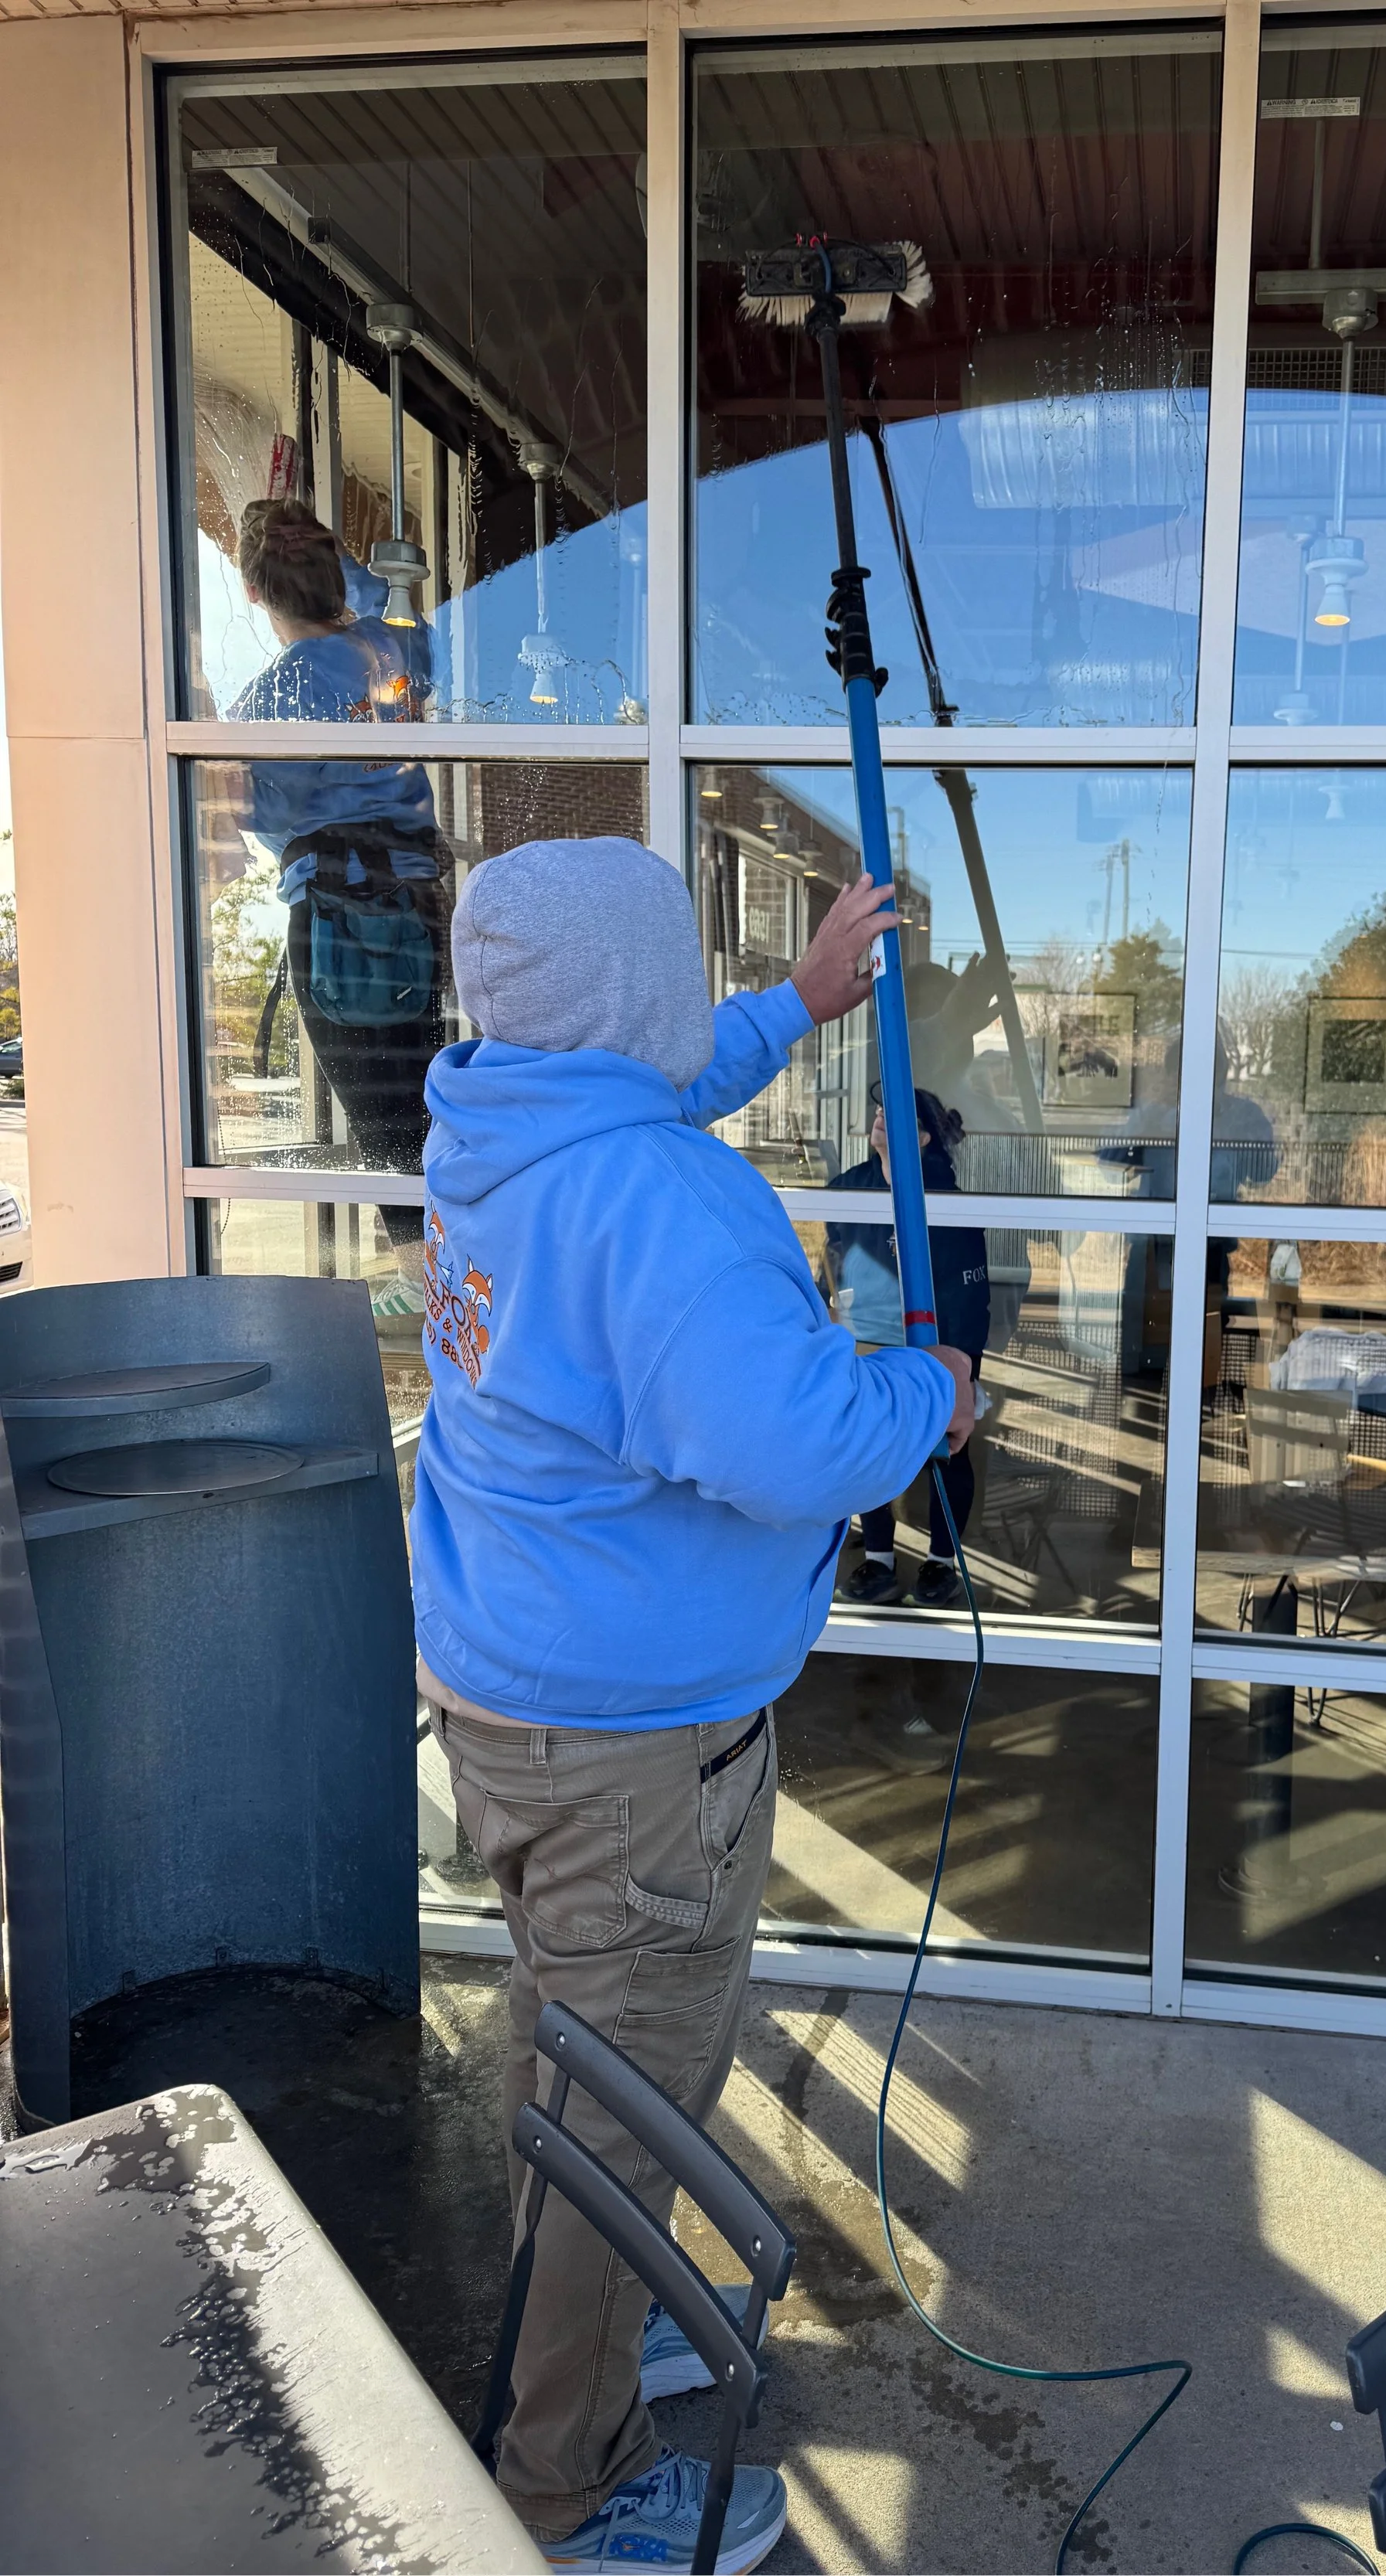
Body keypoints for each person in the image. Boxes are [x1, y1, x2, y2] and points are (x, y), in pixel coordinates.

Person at [411, 836, 973, 2574]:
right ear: (636, 995)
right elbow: (792, 1438)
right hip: (636, 1755)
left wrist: (791, 1008)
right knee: (629, 2085)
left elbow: (637, 1077)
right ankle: (565, 2483)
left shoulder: (493, 1123)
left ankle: (590, 2318)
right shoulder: (654, 1201)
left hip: (516, 1703)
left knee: (579, 2054)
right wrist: (928, 1396)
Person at [227, 498, 442, 1306]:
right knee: (430, 1112)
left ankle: (438, 1302)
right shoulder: (387, 646)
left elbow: (263, 815)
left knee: (388, 1134)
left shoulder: (274, 698)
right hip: (419, 906)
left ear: (254, 593)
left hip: (342, 922)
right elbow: (383, 610)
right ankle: (461, 1285)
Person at [826, 1087, 988, 1613]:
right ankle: (879, 1555)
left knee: (946, 1455)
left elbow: (970, 1293)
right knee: (872, 1445)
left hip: (937, 1348)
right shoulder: (849, 1188)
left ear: (923, 1136)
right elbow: (830, 1260)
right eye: (877, 1110)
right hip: (865, 1345)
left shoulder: (947, 1199)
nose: (879, 1117)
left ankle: (942, 1562)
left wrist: (961, 1369)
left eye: (892, 1113)